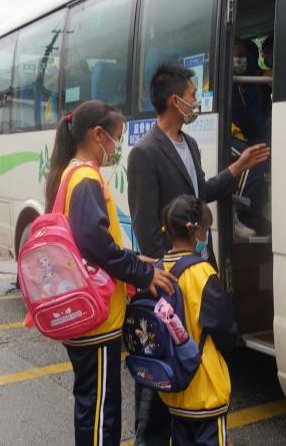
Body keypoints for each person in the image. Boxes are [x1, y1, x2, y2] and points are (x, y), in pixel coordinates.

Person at [127, 63, 269, 446]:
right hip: (170, 286)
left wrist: (237, 167)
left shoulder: (188, 144)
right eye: (193, 96)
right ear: (175, 101)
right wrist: (168, 280)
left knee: (190, 374)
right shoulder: (144, 153)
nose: (197, 101)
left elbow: (200, 193)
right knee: (159, 391)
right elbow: (145, 226)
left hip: (196, 275)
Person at [45, 100, 178, 446]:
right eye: (116, 138)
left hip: (83, 315)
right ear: (97, 135)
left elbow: (91, 242)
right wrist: (142, 273)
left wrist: (134, 258)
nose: (117, 147)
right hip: (97, 322)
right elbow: (95, 243)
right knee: (101, 415)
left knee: (92, 407)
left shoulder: (70, 173)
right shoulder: (86, 177)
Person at [158, 195, 240, 446]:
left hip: (174, 389)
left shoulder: (158, 270)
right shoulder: (203, 273)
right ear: (196, 232)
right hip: (205, 389)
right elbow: (226, 331)